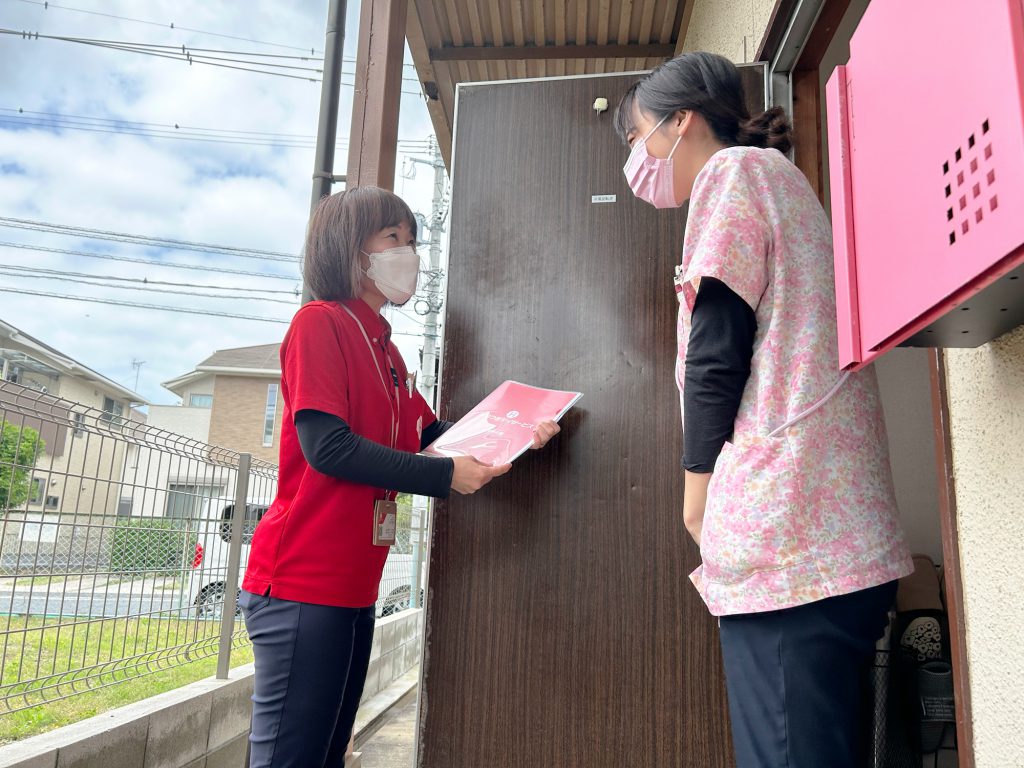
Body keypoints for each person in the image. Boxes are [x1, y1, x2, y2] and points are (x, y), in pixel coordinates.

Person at [616, 53, 913, 768]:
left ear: (680, 122)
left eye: (637, 136)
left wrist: (697, 495)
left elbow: (719, 344)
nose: (637, 156)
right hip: (830, 535)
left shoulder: (732, 174)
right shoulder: (783, 184)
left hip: (787, 543)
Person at [239, 186, 561, 768]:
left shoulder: (387, 350)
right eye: (393, 238)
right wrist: (444, 479)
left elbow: (435, 439)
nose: (408, 253)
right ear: (349, 247)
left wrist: (521, 431)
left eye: (412, 241)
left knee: (327, 752)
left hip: (354, 588)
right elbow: (327, 447)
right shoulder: (320, 324)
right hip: (301, 583)